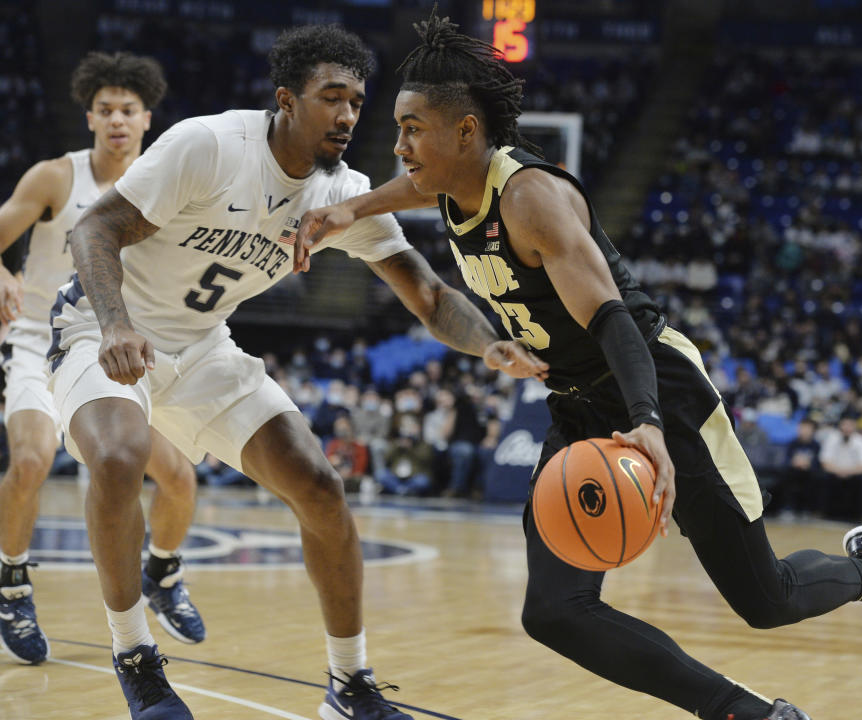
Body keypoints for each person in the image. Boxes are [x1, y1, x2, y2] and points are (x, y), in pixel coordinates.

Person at [293, 12, 862, 719]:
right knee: (555, 610)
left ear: (466, 132)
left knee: (767, 600)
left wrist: (649, 425)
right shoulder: (451, 183)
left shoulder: (532, 200)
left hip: (653, 387)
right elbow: (418, 189)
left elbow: (616, 321)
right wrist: (350, 208)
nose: (399, 144)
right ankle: (745, 713)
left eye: (412, 128)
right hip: (576, 405)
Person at [50, 25, 544, 720]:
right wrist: (115, 325)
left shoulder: (345, 191)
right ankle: (135, 656)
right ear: (286, 99)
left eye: (356, 101)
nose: (347, 115)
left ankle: (350, 686)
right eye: (331, 97)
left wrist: (492, 344)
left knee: (320, 486)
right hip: (100, 327)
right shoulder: (212, 144)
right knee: (121, 455)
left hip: (200, 346)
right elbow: (92, 230)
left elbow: (428, 295)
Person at [0, 51, 207, 667]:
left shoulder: (164, 184)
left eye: (129, 110)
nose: (117, 119)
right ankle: (11, 583)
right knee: (32, 458)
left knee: (178, 478)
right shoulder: (55, 177)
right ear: (90, 116)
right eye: (106, 109)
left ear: (148, 119)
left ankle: (163, 573)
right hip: (39, 336)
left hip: (113, 343)